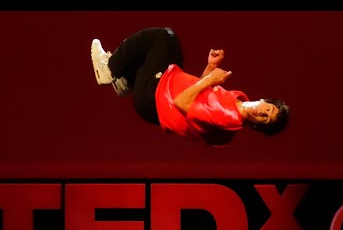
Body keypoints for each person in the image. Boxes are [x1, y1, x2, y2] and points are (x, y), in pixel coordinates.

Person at [91, 27, 290, 147]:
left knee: (165, 37)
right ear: (265, 100)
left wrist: (209, 80)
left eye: (266, 119)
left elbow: (182, 103)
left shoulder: (228, 118)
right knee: (164, 49)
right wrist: (210, 67)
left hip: (155, 98)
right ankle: (126, 81)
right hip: (164, 87)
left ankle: (109, 69)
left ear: (257, 126)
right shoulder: (237, 101)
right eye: (268, 109)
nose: (263, 113)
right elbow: (197, 98)